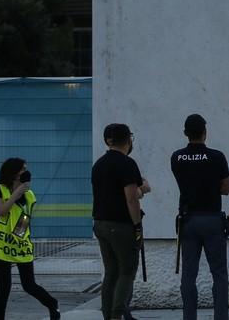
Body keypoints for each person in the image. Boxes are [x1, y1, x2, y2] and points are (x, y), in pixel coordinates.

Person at [169, 114, 229, 320]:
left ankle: (189, 317)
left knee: (189, 274)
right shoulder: (217, 156)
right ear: (205, 132)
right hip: (212, 218)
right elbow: (226, 188)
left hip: (188, 219)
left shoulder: (176, 157)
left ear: (185, 133)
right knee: (219, 273)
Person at [0, 156, 59, 320]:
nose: (26, 172)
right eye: (23, 169)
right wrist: (16, 193)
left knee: (29, 285)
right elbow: (1, 211)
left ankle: (52, 304)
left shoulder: (30, 196)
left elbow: (24, 221)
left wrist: (22, 192)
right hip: (0, 244)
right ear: (13, 173)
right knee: (4, 288)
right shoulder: (0, 189)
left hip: (20, 244)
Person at [91, 122, 150, 320]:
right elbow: (131, 198)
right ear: (128, 139)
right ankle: (118, 314)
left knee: (110, 272)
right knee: (127, 271)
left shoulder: (99, 164)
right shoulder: (127, 164)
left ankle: (108, 315)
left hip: (100, 223)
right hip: (121, 225)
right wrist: (137, 226)